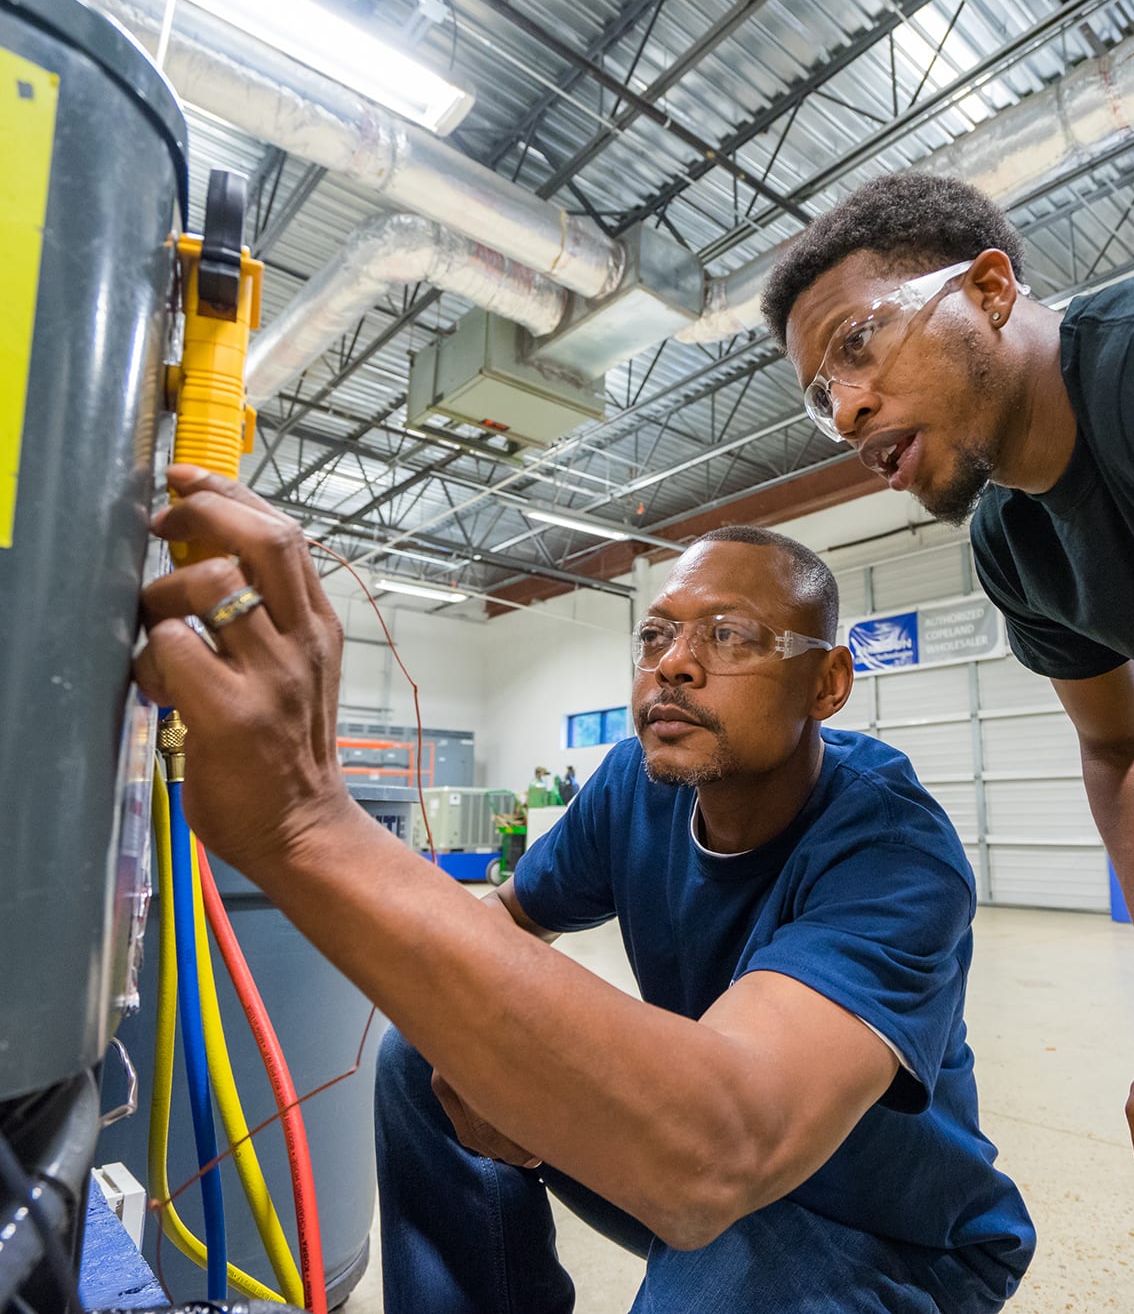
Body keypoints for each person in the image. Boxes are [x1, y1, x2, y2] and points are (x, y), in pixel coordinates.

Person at [138, 472, 1034, 1313]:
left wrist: (306, 822)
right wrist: (481, 1064)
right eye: (656, 635)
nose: (674, 664)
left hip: (883, 1228)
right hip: (701, 1170)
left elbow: (721, 1150)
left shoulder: (891, 847)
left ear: (827, 682)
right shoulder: (635, 783)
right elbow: (510, 922)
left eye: (726, 635)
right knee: (423, 1058)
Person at [762, 170, 1134, 1310]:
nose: (850, 407)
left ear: (986, 288)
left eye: (860, 345)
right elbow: (1120, 751)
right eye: (823, 392)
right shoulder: (1019, 552)